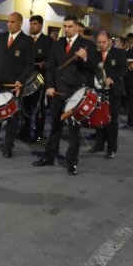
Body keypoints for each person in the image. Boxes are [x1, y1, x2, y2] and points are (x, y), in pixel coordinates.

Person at [32, 15, 97, 175]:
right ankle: (49, 156)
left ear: (76, 28)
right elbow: (51, 68)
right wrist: (49, 86)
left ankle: (72, 162)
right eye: (65, 26)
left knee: (74, 131)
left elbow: (94, 67)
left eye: (70, 26)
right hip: (57, 92)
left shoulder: (87, 45)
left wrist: (85, 57)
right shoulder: (57, 44)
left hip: (75, 94)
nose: (66, 29)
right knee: (55, 127)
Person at [0, 12, 34, 158]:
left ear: (20, 23)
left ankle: (8, 146)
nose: (9, 24)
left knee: (12, 118)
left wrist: (20, 81)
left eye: (13, 22)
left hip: (14, 86)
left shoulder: (26, 41)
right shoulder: (1, 38)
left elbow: (29, 66)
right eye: (8, 21)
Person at [88, 31, 127, 159]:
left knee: (111, 120)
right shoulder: (95, 53)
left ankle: (111, 148)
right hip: (99, 90)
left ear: (109, 41)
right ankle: (99, 144)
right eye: (98, 42)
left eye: (103, 42)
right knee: (99, 118)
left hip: (114, 91)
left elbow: (123, 69)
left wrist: (112, 78)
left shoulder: (119, 53)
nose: (101, 45)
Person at [17, 15, 52, 142]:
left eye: (35, 24)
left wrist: (45, 64)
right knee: (25, 105)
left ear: (41, 25)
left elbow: (51, 60)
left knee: (39, 106)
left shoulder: (47, 41)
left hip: (40, 78)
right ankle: (24, 130)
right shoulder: (25, 40)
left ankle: (38, 133)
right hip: (26, 77)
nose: (32, 26)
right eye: (30, 24)